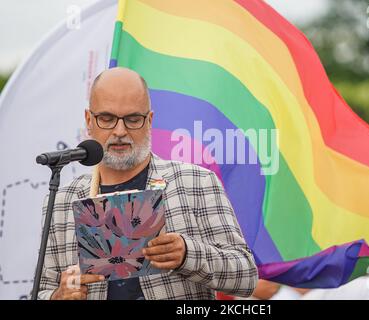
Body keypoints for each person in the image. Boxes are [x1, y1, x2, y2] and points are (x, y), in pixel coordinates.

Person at [37, 67, 258, 300]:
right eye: (107, 119)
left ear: (149, 120)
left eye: (133, 119)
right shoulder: (63, 200)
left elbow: (246, 276)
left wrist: (187, 255)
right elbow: (40, 290)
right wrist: (57, 296)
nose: (120, 131)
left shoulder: (196, 182)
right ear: (89, 120)